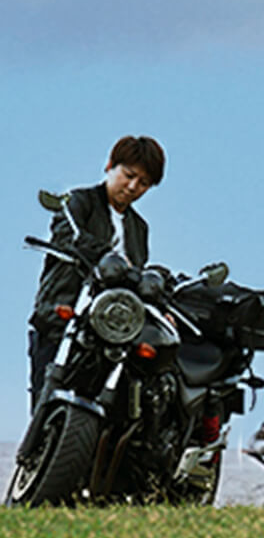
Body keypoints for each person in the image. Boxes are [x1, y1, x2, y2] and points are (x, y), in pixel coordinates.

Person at [27, 136, 166, 408]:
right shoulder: (78, 203)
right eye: (129, 175)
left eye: (144, 184)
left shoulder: (139, 228)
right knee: (46, 402)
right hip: (63, 318)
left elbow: (139, 272)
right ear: (110, 165)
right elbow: (70, 238)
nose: (133, 187)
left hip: (111, 330)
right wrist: (114, 261)